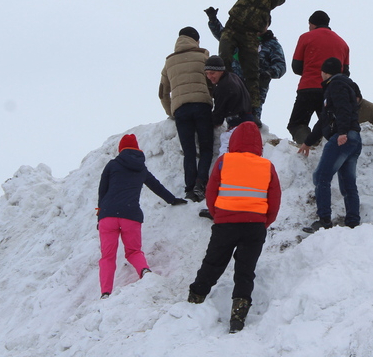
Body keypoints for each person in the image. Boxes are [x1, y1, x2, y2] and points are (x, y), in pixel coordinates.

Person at [187, 122, 281, 334]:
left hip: (225, 225)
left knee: (213, 263)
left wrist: (218, 215)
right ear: (258, 143)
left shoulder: (224, 161)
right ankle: (238, 315)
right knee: (245, 270)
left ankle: (195, 299)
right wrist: (264, 222)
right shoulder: (267, 166)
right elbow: (274, 200)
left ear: (234, 141)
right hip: (255, 227)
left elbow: (211, 193)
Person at [97, 134, 187, 299]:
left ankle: (105, 293)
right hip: (131, 215)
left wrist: (100, 215)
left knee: (107, 257)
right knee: (133, 251)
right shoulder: (141, 168)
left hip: (108, 216)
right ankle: (144, 271)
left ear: (121, 149)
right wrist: (172, 200)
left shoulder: (112, 165)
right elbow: (156, 186)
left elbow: (102, 191)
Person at [218, 0, 286, 113]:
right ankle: (224, 96)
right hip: (234, 25)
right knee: (224, 59)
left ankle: (253, 110)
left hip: (250, 33)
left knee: (252, 72)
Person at [298, 57, 363, 231]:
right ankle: (353, 222)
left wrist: (341, 132)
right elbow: (324, 121)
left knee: (321, 177)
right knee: (348, 181)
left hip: (344, 136)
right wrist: (308, 142)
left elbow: (342, 109)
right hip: (354, 138)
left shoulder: (336, 85)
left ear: (325, 72)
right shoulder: (344, 84)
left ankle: (324, 220)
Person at [159, 26, 214, 202]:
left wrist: (171, 111)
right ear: (195, 40)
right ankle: (201, 183)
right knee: (206, 148)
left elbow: (162, 92)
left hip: (181, 111)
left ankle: (190, 187)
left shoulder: (169, 62)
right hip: (202, 107)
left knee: (189, 150)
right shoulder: (203, 56)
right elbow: (212, 82)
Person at [205, 8, 286, 120]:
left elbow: (281, 66)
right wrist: (213, 20)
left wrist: (269, 73)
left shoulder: (272, 45)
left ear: (268, 25)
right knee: (231, 116)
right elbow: (223, 36)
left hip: (256, 88)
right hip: (234, 85)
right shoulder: (241, 37)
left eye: (262, 22)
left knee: (251, 119)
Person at [287, 10, 350, 143]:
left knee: (297, 123)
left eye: (309, 24)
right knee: (329, 123)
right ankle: (325, 148)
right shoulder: (343, 43)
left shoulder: (306, 37)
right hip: (331, 90)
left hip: (308, 88)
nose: (309, 28)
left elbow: (296, 67)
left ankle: (308, 144)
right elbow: (345, 73)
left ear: (313, 24)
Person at [204, 55, 256, 130]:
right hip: (249, 119)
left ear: (221, 71)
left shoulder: (223, 86)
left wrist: (207, 124)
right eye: (207, 73)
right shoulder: (234, 77)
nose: (209, 76)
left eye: (212, 73)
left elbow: (219, 114)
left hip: (238, 123)